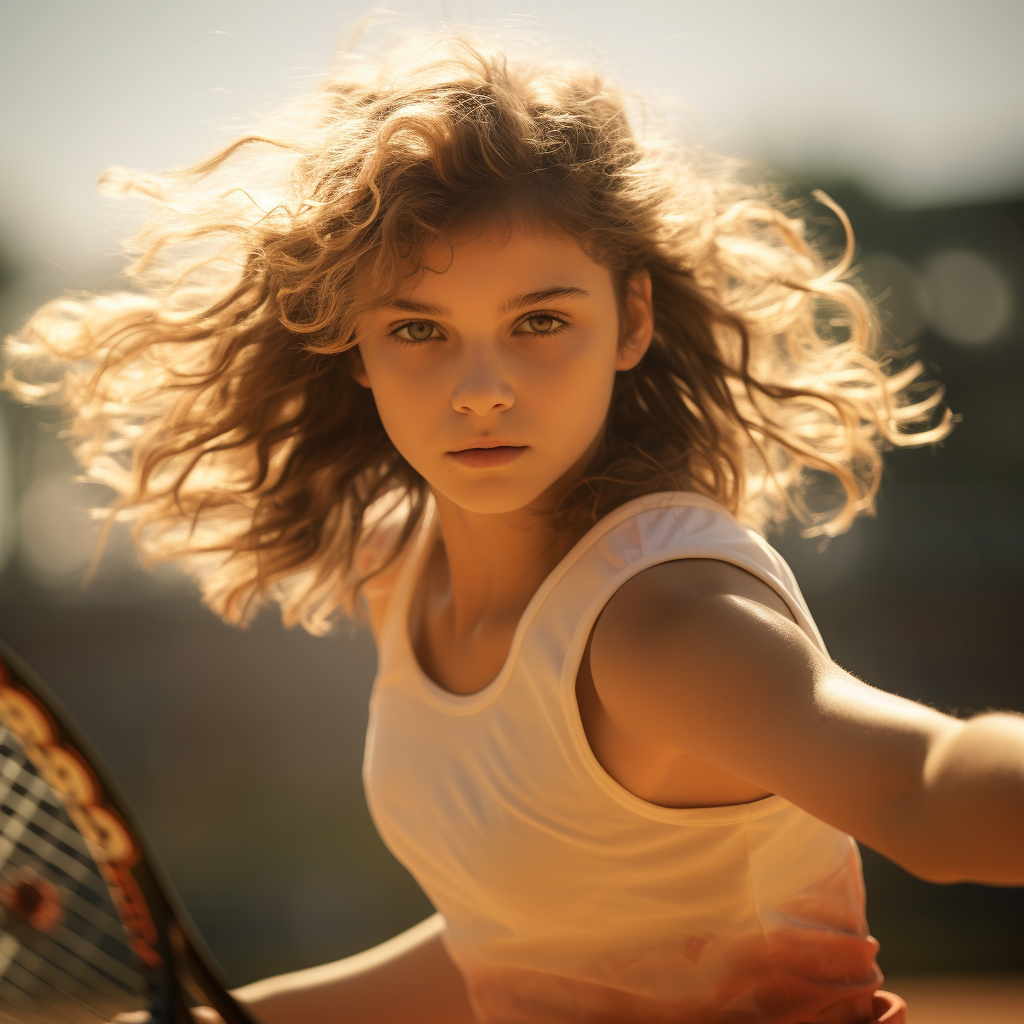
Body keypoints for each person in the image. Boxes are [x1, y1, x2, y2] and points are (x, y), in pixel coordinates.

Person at [6, 24, 1023, 1024]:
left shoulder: (663, 624)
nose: (480, 389)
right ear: (355, 349)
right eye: (419, 329)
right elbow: (521, 946)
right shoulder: (399, 576)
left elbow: (927, 793)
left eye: (539, 321)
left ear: (630, 321)